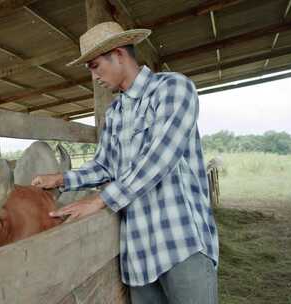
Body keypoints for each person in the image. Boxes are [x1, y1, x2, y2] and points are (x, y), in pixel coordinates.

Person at [31, 21, 219, 304]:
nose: (94, 76)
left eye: (94, 66)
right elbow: (104, 165)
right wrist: (61, 179)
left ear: (118, 54)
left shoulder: (173, 89)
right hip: (139, 253)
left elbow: (160, 159)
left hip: (181, 243)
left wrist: (99, 200)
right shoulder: (115, 113)